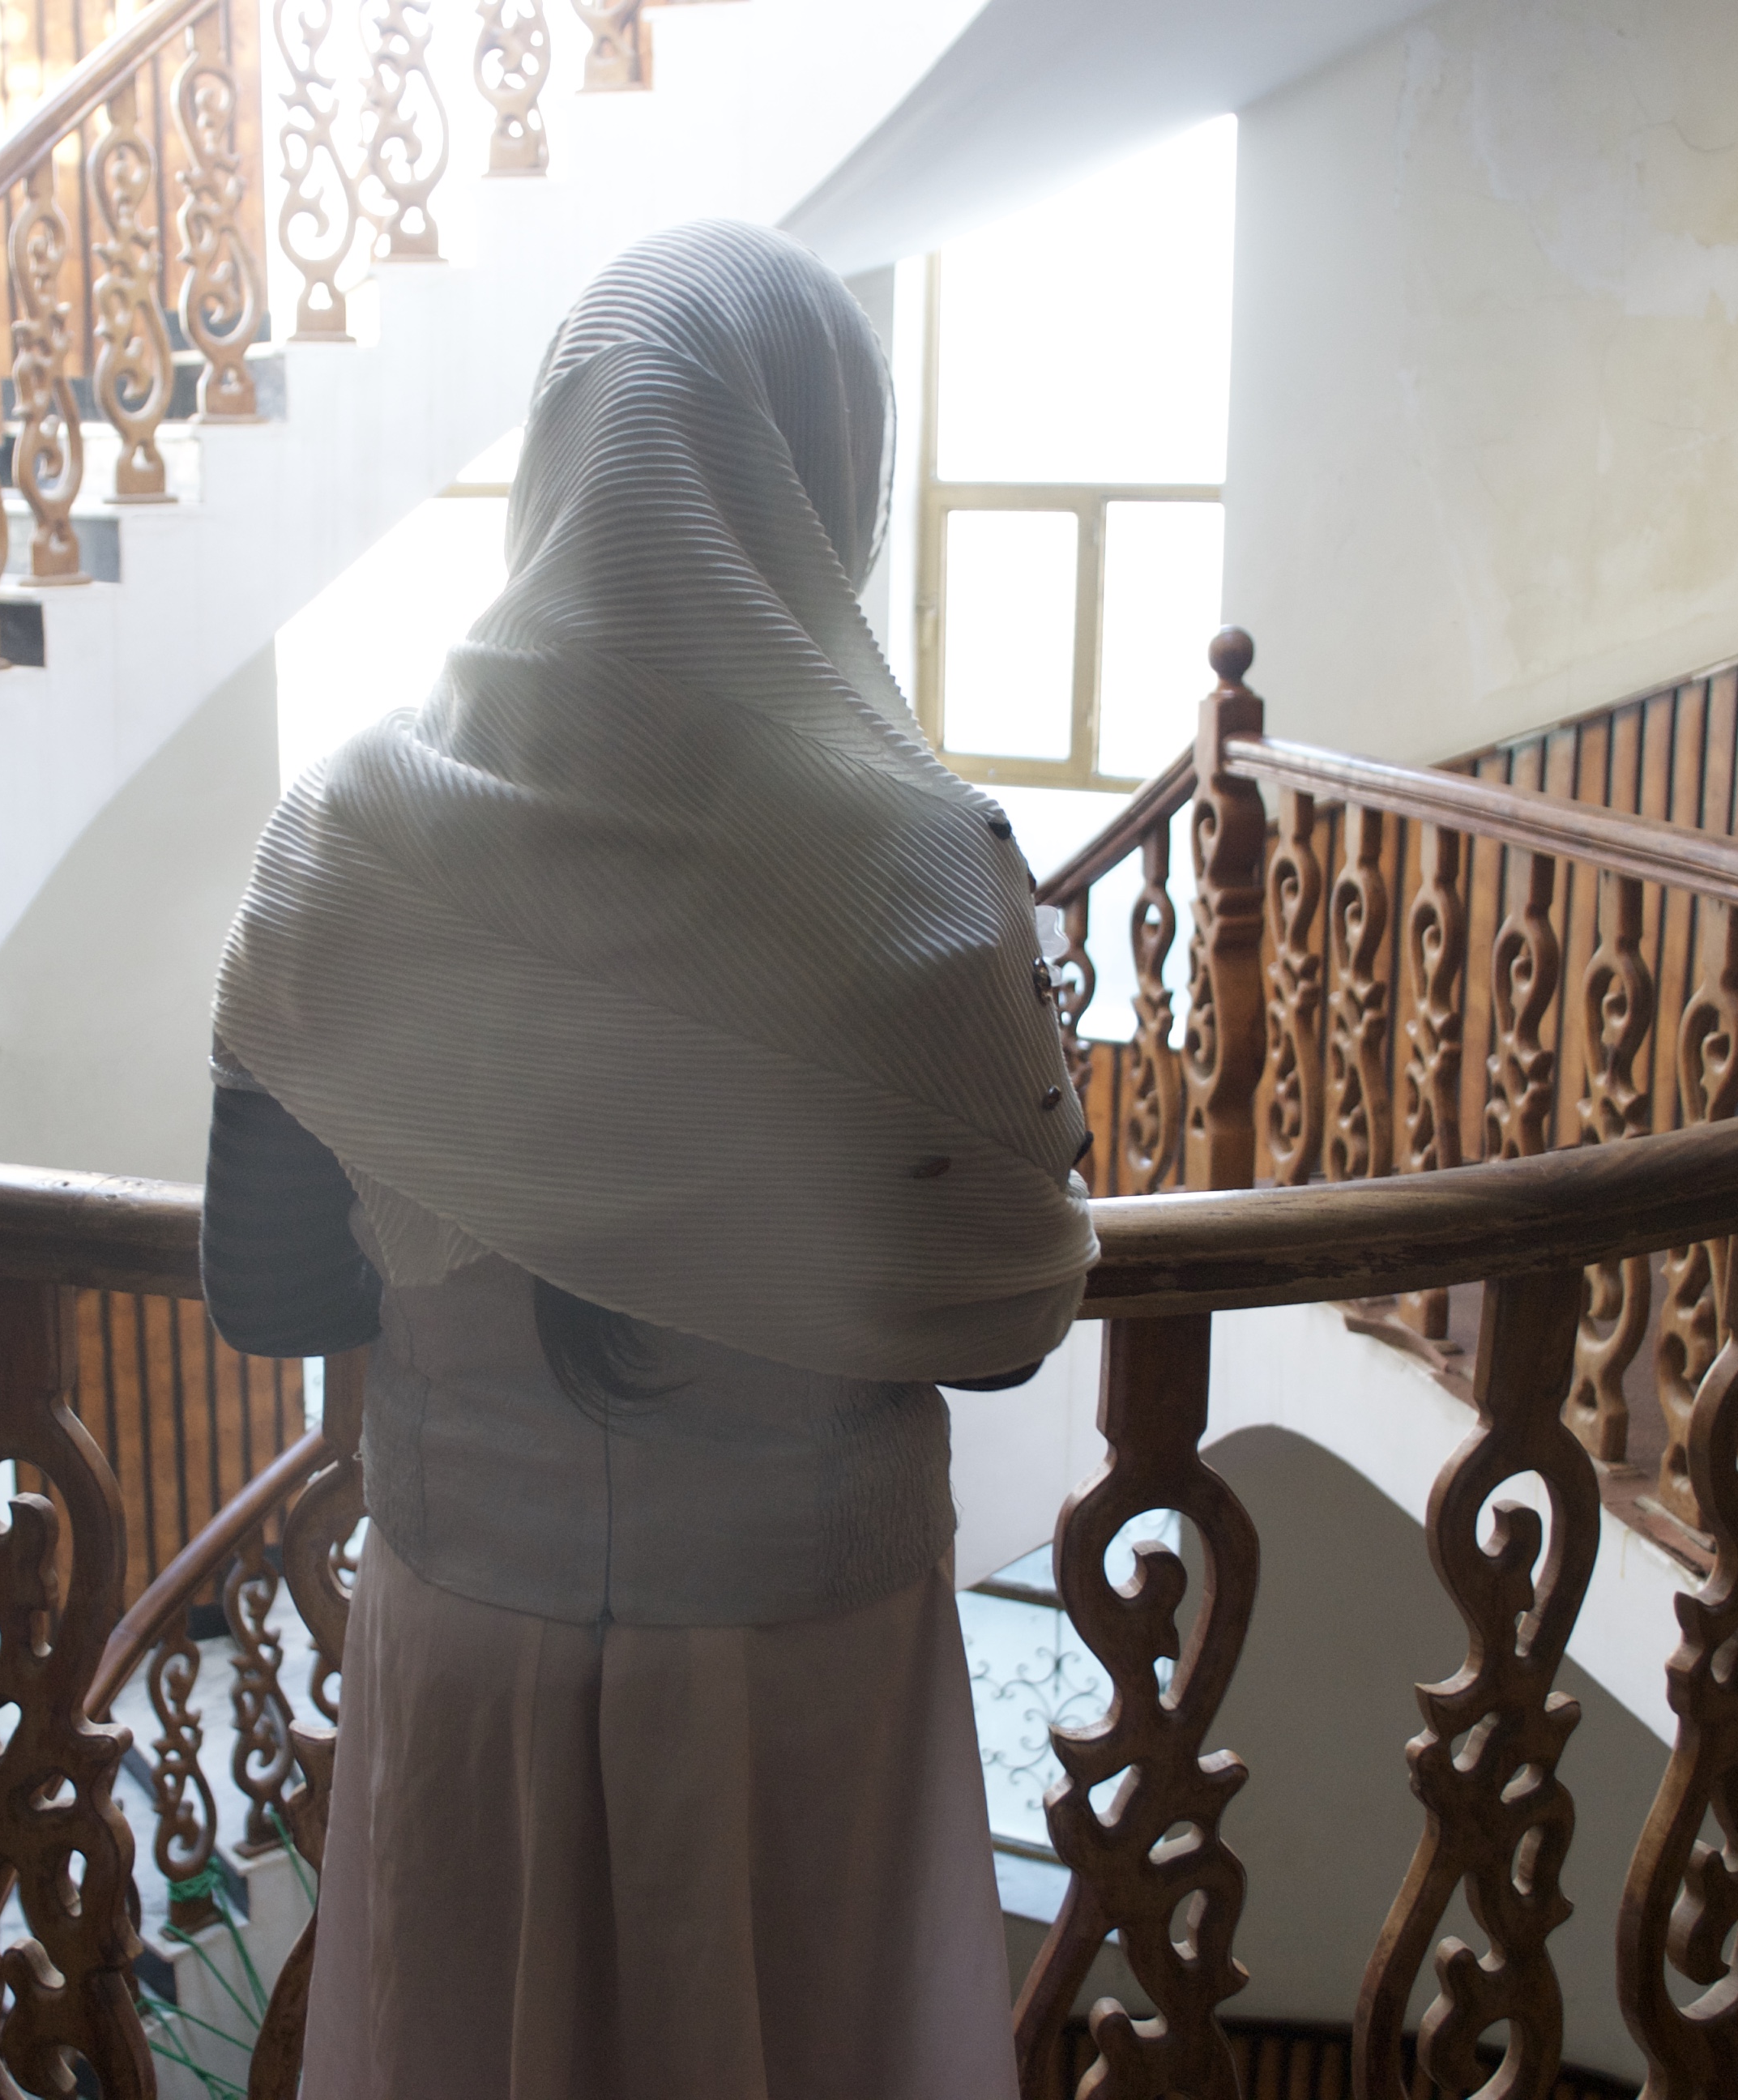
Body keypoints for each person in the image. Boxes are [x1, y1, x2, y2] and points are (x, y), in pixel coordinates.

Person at [202, 218, 1096, 2100]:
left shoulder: (345, 835)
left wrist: (511, 1157)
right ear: (823, 486)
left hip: (467, 1642)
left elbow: (267, 1288)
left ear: (557, 464)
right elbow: (1005, 1325)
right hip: (803, 1670)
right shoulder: (928, 880)